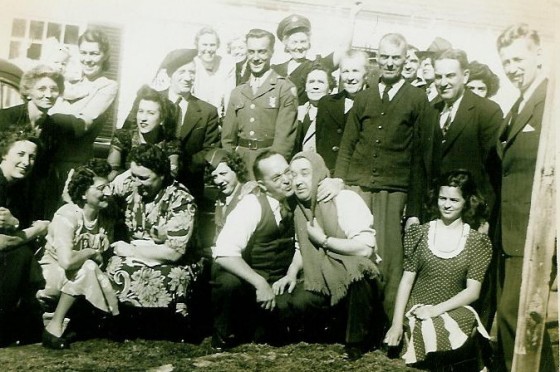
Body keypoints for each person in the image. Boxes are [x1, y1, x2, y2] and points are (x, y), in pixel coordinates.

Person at [333, 33, 432, 321]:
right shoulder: (364, 97)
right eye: (385, 57)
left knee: (389, 260)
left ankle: (390, 325)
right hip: (359, 187)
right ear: (378, 58)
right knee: (358, 254)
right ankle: (354, 324)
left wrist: (413, 209)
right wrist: (341, 183)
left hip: (394, 190)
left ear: (405, 61)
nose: (390, 63)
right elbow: (348, 145)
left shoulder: (417, 99)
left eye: (396, 58)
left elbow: (421, 158)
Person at [275, 151, 381, 360]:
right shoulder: (300, 209)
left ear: (319, 174)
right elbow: (301, 249)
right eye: (293, 175)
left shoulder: (344, 198)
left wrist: (324, 241)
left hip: (354, 274)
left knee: (358, 278)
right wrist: (291, 273)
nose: (298, 182)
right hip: (322, 274)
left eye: (305, 173)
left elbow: (365, 248)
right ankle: (325, 336)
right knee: (297, 301)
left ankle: (355, 343)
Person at [384, 170, 492, 369]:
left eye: (454, 200)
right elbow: (406, 281)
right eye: (443, 198)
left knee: (459, 322)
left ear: (467, 202)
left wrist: (436, 310)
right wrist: (396, 323)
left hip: (453, 307)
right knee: (427, 328)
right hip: (418, 305)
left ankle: (460, 358)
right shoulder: (421, 233)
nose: (447, 204)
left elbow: (472, 291)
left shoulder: (476, 241)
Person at [495, 23, 555, 372]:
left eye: (518, 58)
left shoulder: (550, 102)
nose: (511, 67)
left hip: (535, 234)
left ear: (538, 55)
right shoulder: (519, 103)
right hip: (511, 232)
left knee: (513, 317)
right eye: (506, 61)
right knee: (521, 323)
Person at [210, 150, 296, 350]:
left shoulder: (296, 199)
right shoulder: (252, 205)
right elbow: (224, 253)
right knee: (227, 283)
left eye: (287, 172)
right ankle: (222, 336)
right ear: (263, 185)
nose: (287, 180)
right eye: (277, 177)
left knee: (276, 330)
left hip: (280, 281)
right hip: (250, 284)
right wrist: (260, 283)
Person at [407, 49, 503, 229]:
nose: (443, 83)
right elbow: (418, 167)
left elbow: (492, 174)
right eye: (438, 77)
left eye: (450, 76)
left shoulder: (487, 112)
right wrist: (413, 214)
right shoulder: (428, 112)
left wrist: (485, 218)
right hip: (432, 217)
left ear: (465, 76)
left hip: (470, 218)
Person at [106, 144, 200, 316]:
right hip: (136, 252)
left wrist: (133, 251)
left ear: (162, 175)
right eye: (133, 175)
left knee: (167, 275)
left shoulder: (181, 199)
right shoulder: (130, 183)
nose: (136, 182)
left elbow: (174, 252)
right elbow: (102, 193)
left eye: (143, 178)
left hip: (170, 258)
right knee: (112, 266)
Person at [38, 160, 118, 349]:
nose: (108, 193)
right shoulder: (67, 215)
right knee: (88, 266)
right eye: (101, 188)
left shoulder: (105, 218)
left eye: (109, 187)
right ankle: (53, 328)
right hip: (51, 273)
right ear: (83, 193)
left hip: (76, 277)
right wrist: (91, 252)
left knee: (89, 268)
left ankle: (102, 318)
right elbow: (66, 262)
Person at [125, 49, 220, 202]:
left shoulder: (207, 111)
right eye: (182, 72)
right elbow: (128, 133)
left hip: (187, 188)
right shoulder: (148, 100)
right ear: (170, 74)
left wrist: (179, 164)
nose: (188, 78)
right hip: (143, 184)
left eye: (192, 72)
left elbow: (210, 150)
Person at [0, 64, 88, 220]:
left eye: (53, 89)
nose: (48, 95)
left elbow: (43, 176)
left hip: (25, 198)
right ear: (28, 92)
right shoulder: (5, 119)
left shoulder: (53, 129)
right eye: (41, 89)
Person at [48, 29, 118, 218]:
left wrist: (47, 116)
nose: (88, 59)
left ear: (104, 55)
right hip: (46, 160)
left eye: (94, 53)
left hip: (72, 164)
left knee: (63, 214)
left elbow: (82, 125)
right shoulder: (69, 81)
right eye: (84, 53)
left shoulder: (106, 86)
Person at [221, 29, 298, 172]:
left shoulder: (284, 89)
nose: (255, 58)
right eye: (251, 52)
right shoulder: (238, 92)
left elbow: (284, 141)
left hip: (269, 164)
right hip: (240, 165)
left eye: (262, 52)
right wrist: (233, 167)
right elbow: (227, 140)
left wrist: (272, 171)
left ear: (271, 52)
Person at [0, 127, 49, 347]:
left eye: (32, 157)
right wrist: (37, 229)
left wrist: (17, 225)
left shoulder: (18, 188)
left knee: (21, 254)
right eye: (20, 154)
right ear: (4, 154)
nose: (27, 162)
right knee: (19, 254)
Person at [272, 5, 360, 104]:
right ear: (286, 45)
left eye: (303, 41)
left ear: (309, 43)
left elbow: (344, 49)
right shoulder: (275, 70)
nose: (299, 47)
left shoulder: (316, 66)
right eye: (294, 42)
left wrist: (352, 17)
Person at [107, 85, 179, 181]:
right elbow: (111, 172)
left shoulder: (170, 143)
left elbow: (171, 174)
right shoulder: (123, 137)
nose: (143, 118)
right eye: (140, 111)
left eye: (151, 113)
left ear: (162, 119)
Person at [315, 50, 369, 173]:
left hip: (358, 176)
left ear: (365, 74)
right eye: (345, 71)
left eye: (355, 71)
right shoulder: (326, 103)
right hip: (329, 175)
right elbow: (320, 142)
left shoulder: (376, 104)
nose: (350, 78)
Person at [204, 148, 257, 241]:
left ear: (236, 170)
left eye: (223, 173)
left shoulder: (249, 195)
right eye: (214, 176)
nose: (219, 181)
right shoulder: (221, 197)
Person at [192, 27, 236, 116]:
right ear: (197, 45)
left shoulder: (226, 65)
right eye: (204, 45)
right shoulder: (192, 64)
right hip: (194, 116)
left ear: (218, 45)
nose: (208, 49)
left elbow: (229, 98)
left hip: (217, 118)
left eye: (212, 45)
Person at [294, 63, 335, 153]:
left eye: (321, 82)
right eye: (311, 82)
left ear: (330, 89)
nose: (315, 87)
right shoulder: (296, 113)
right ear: (305, 87)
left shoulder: (335, 115)